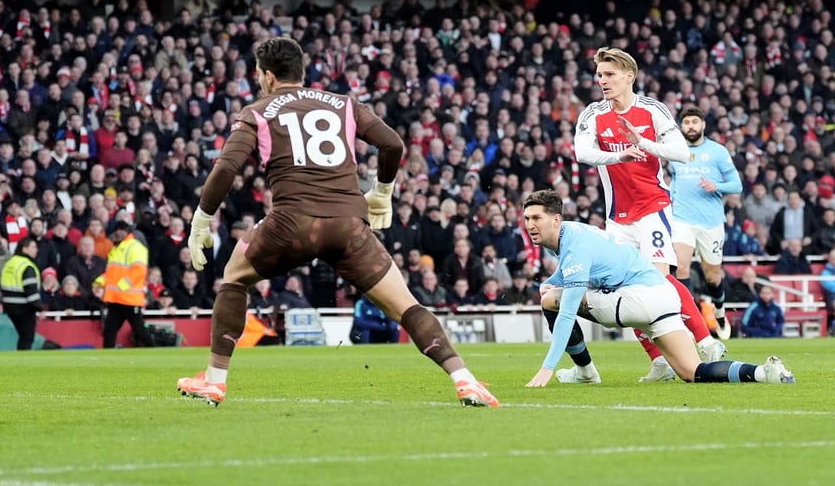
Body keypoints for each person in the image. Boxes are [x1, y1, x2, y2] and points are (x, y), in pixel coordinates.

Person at [179, 37, 496, 407]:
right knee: (406, 306)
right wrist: (381, 191)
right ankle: (464, 379)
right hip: (349, 225)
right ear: (301, 70)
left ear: (266, 76)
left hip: (292, 224)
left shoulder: (258, 111)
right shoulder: (343, 104)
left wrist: (202, 218)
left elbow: (227, 167)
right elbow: (392, 144)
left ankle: (215, 380)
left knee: (234, 276)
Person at [520, 190, 794, 387]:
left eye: (536, 218)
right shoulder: (574, 232)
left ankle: (585, 372)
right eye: (527, 218)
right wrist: (553, 280)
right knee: (692, 371)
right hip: (662, 295)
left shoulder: (574, 245)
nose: (530, 225)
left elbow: (568, 312)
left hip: (635, 298)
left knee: (552, 301)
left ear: (555, 220)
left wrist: (547, 368)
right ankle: (763, 373)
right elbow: (584, 266)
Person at [575, 47, 723, 382]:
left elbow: (681, 153)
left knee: (658, 281)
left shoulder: (653, 110)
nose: (602, 81)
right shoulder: (593, 114)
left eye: (609, 74)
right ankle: (659, 361)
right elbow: (582, 153)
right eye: (599, 75)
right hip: (618, 216)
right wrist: (619, 156)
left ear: (630, 76)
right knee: (626, 286)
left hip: (653, 208)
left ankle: (705, 339)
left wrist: (643, 143)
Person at [669, 105, 742, 340]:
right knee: (681, 267)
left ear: (703, 125)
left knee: (712, 276)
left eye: (694, 122)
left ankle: (719, 313)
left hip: (710, 222)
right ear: (681, 126)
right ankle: (691, 323)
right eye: (687, 122)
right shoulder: (675, 152)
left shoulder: (718, 152)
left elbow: (737, 185)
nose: (691, 126)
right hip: (681, 219)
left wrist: (716, 186)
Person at [100, 213, 156, 349]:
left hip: (129, 297)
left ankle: (154, 350)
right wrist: (99, 282)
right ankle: (106, 357)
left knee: (139, 330)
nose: (117, 234)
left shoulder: (135, 247)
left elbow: (139, 270)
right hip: (117, 297)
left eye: (119, 231)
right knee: (109, 330)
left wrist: (122, 285)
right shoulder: (117, 248)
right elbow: (111, 273)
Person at [0, 236, 42, 350]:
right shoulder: (27, 265)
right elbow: (31, 290)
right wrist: (39, 307)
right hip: (24, 307)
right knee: (27, 337)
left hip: (8, 307)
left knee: (18, 337)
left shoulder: (10, 263)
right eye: (33, 247)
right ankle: (24, 362)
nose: (36, 250)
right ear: (24, 249)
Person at [820, 250, 835, 336]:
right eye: (833, 258)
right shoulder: (825, 272)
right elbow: (830, 286)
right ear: (829, 259)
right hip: (832, 296)